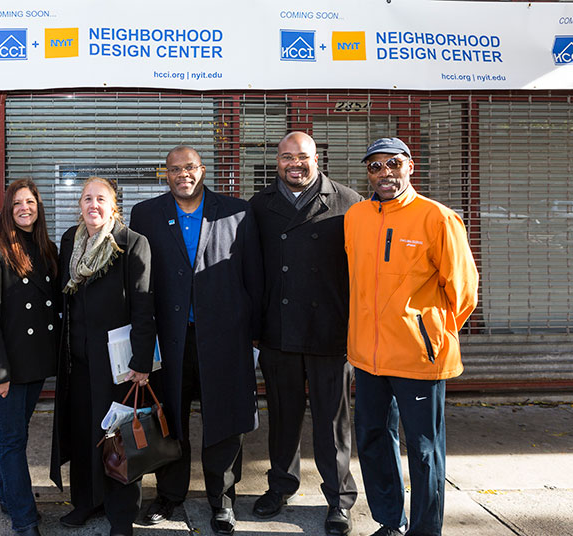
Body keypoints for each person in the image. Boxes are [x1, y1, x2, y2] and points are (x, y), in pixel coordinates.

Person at [344, 138, 479, 536]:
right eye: (375, 167)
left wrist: (427, 332)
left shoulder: (437, 218)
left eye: (393, 164)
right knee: (372, 440)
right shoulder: (356, 217)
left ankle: (424, 530)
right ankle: (390, 521)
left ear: (410, 167)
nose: (385, 173)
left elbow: (464, 291)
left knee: (423, 451)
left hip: (419, 357)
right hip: (367, 357)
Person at [129, 146, 262, 535]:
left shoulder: (237, 210)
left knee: (224, 421)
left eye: (189, 167)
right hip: (170, 341)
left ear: (202, 170)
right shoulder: (146, 214)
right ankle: (170, 495)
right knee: (171, 422)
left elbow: (253, 276)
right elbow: (139, 283)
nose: (182, 174)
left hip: (223, 340)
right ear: (164, 174)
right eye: (174, 169)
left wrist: (253, 337)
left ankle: (222, 501)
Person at [249, 131, 362, 536]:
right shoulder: (259, 205)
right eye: (286, 157)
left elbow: (362, 274)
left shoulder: (349, 202)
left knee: (333, 422)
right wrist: (254, 326)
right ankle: (281, 485)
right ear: (276, 161)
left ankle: (339, 498)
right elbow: (252, 270)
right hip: (278, 331)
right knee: (283, 415)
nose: (294, 164)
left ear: (318, 158)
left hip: (331, 331)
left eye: (303, 157)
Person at [49, 177, 156, 536]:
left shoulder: (132, 244)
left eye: (100, 199)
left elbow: (143, 307)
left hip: (119, 368)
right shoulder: (70, 241)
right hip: (78, 362)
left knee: (118, 438)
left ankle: (121, 515)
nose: (92, 205)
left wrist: (141, 363)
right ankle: (86, 502)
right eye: (86, 198)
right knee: (83, 435)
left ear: (114, 206)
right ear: (79, 205)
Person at [0, 178, 60, 536]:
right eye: (18, 203)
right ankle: (23, 519)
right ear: (7, 210)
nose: (25, 208)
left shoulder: (46, 249)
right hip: (3, 366)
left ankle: (7, 496)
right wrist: (0, 373)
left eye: (31, 203)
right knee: (13, 440)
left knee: (13, 435)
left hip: (34, 364)